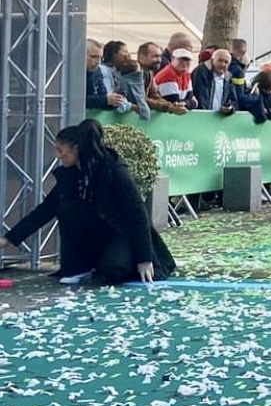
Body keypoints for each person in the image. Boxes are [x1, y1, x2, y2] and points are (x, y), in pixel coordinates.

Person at [0, 120, 175, 284]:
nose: (58, 156)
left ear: (76, 149)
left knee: (114, 269)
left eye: (61, 150)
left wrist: (145, 258)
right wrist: (10, 239)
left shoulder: (113, 169)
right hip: (95, 235)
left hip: (120, 231)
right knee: (67, 208)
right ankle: (79, 267)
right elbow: (45, 210)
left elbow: (137, 212)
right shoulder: (69, 175)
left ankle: (118, 260)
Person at [138, 41, 189, 116]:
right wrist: (170, 108)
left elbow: (154, 95)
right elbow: (141, 99)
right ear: (142, 57)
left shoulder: (149, 71)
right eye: (155, 56)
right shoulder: (135, 72)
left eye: (160, 56)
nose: (159, 60)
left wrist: (171, 105)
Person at [85, 39, 127, 112]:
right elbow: (76, 99)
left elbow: (102, 96)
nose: (98, 61)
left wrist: (114, 102)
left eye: (100, 58)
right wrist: (105, 100)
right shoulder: (71, 73)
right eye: (93, 57)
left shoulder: (97, 71)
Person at [190, 47, 237, 113]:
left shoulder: (228, 78)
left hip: (219, 117)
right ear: (212, 60)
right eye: (220, 60)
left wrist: (230, 108)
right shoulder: (201, 72)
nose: (223, 64)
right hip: (201, 116)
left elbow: (233, 100)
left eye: (226, 62)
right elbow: (201, 97)